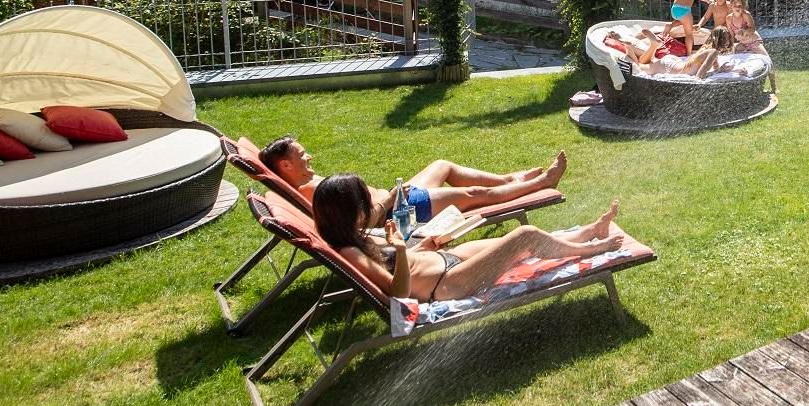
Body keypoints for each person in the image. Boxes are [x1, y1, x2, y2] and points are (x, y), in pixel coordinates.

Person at [310, 176, 623, 301]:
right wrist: (403, 250)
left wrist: (423, 246)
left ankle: (587, 233)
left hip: (443, 262)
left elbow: (395, 264)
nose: (371, 209)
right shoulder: (351, 252)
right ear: (351, 211)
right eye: (365, 204)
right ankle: (589, 249)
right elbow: (397, 293)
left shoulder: (353, 238)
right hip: (447, 283)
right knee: (524, 235)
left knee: (519, 245)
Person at [257, 137, 566, 218]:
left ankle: (508, 180)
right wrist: (391, 198)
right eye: (301, 155)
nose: (308, 156)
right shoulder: (311, 191)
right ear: (285, 166)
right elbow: (362, 224)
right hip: (399, 213)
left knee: (442, 165)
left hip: (398, 200)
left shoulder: (304, 186)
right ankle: (540, 184)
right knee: (471, 196)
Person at [635, 24, 732, 79]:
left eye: (728, 39)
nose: (727, 42)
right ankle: (653, 45)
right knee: (640, 65)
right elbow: (699, 76)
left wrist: (732, 71)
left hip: (675, 63)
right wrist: (720, 70)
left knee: (646, 63)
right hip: (670, 66)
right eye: (726, 39)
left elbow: (716, 70)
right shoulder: (713, 52)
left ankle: (654, 45)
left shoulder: (711, 51)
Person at [728, 0, 776, 94]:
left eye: (740, 6)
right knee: (731, 59)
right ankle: (738, 86)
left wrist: (744, 31)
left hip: (754, 42)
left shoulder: (746, 15)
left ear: (744, 6)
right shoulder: (728, 18)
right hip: (742, 44)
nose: (738, 8)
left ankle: (774, 88)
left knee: (768, 61)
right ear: (731, 5)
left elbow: (753, 29)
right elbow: (731, 35)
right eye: (735, 5)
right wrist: (731, 48)